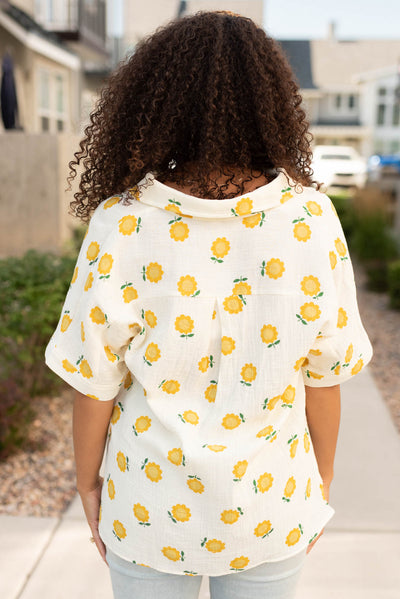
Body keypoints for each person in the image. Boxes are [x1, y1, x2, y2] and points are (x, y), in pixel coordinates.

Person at [45, 10, 373, 599]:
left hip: (148, 503)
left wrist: (89, 484)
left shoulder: (122, 221)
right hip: (270, 505)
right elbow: (327, 374)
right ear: (271, 103)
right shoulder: (310, 219)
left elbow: (93, 378)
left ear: (151, 100)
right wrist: (319, 480)